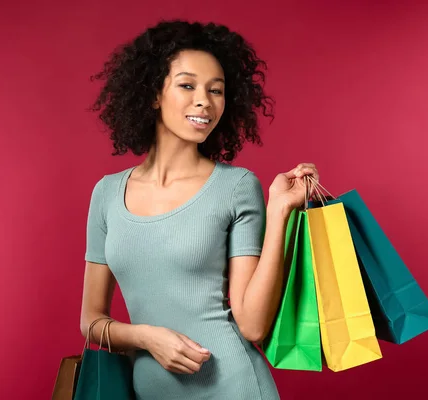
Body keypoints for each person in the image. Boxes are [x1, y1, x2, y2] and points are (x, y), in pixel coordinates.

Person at [80, 19, 319, 400]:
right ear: (153, 94)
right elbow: (91, 320)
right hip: (149, 392)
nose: (204, 101)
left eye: (216, 90)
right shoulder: (107, 194)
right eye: (187, 85)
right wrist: (146, 337)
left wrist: (279, 212)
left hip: (233, 387)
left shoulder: (237, 187)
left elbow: (253, 325)